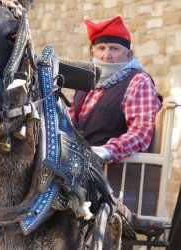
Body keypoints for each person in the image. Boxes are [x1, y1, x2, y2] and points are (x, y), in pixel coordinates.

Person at [68, 16, 162, 163]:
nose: (107, 55)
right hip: (79, 169)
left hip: (114, 175)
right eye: (101, 48)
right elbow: (68, 124)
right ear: (92, 54)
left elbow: (141, 133)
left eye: (114, 48)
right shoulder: (86, 82)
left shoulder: (138, 81)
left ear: (129, 55)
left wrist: (108, 151)